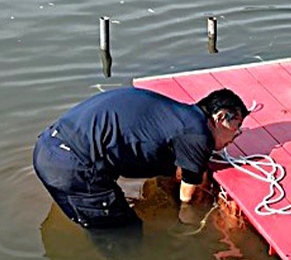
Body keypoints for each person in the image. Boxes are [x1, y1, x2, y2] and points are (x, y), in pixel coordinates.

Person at [33, 87, 248, 231]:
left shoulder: (177, 115)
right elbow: (187, 201)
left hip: (48, 147)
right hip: (71, 165)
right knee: (126, 234)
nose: (235, 137)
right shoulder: (198, 134)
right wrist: (189, 229)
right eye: (236, 128)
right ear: (220, 118)